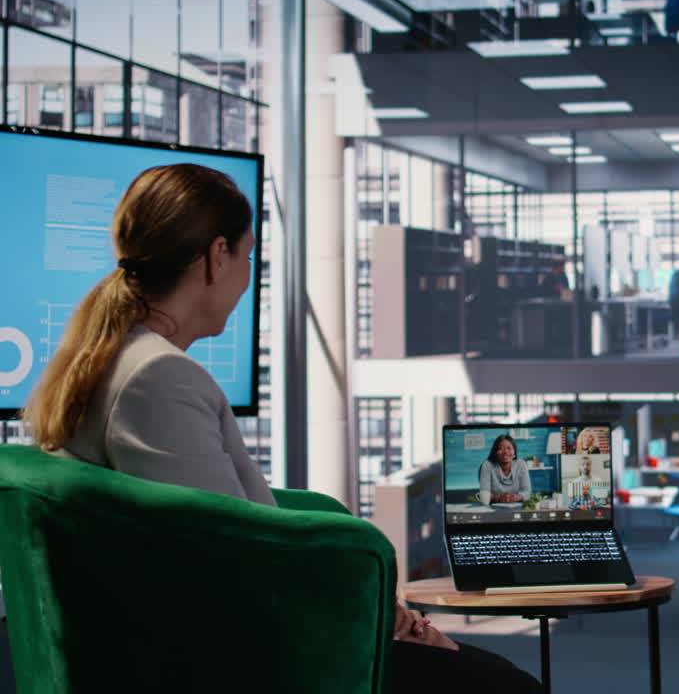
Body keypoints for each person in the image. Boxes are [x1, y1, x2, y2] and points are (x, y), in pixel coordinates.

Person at [22, 163, 539, 694]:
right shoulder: (157, 376)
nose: (247, 279)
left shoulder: (111, 358)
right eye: (246, 257)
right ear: (215, 256)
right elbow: (235, 560)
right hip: (246, 657)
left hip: (203, 635)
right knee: (504, 684)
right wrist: (374, 617)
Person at [478, 434, 532, 505]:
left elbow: (528, 493)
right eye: (501, 448)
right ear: (495, 452)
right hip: (492, 510)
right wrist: (498, 498)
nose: (505, 452)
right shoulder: (487, 465)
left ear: (514, 453)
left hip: (517, 509)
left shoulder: (521, 464)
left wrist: (515, 497)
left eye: (509, 448)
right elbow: (484, 498)